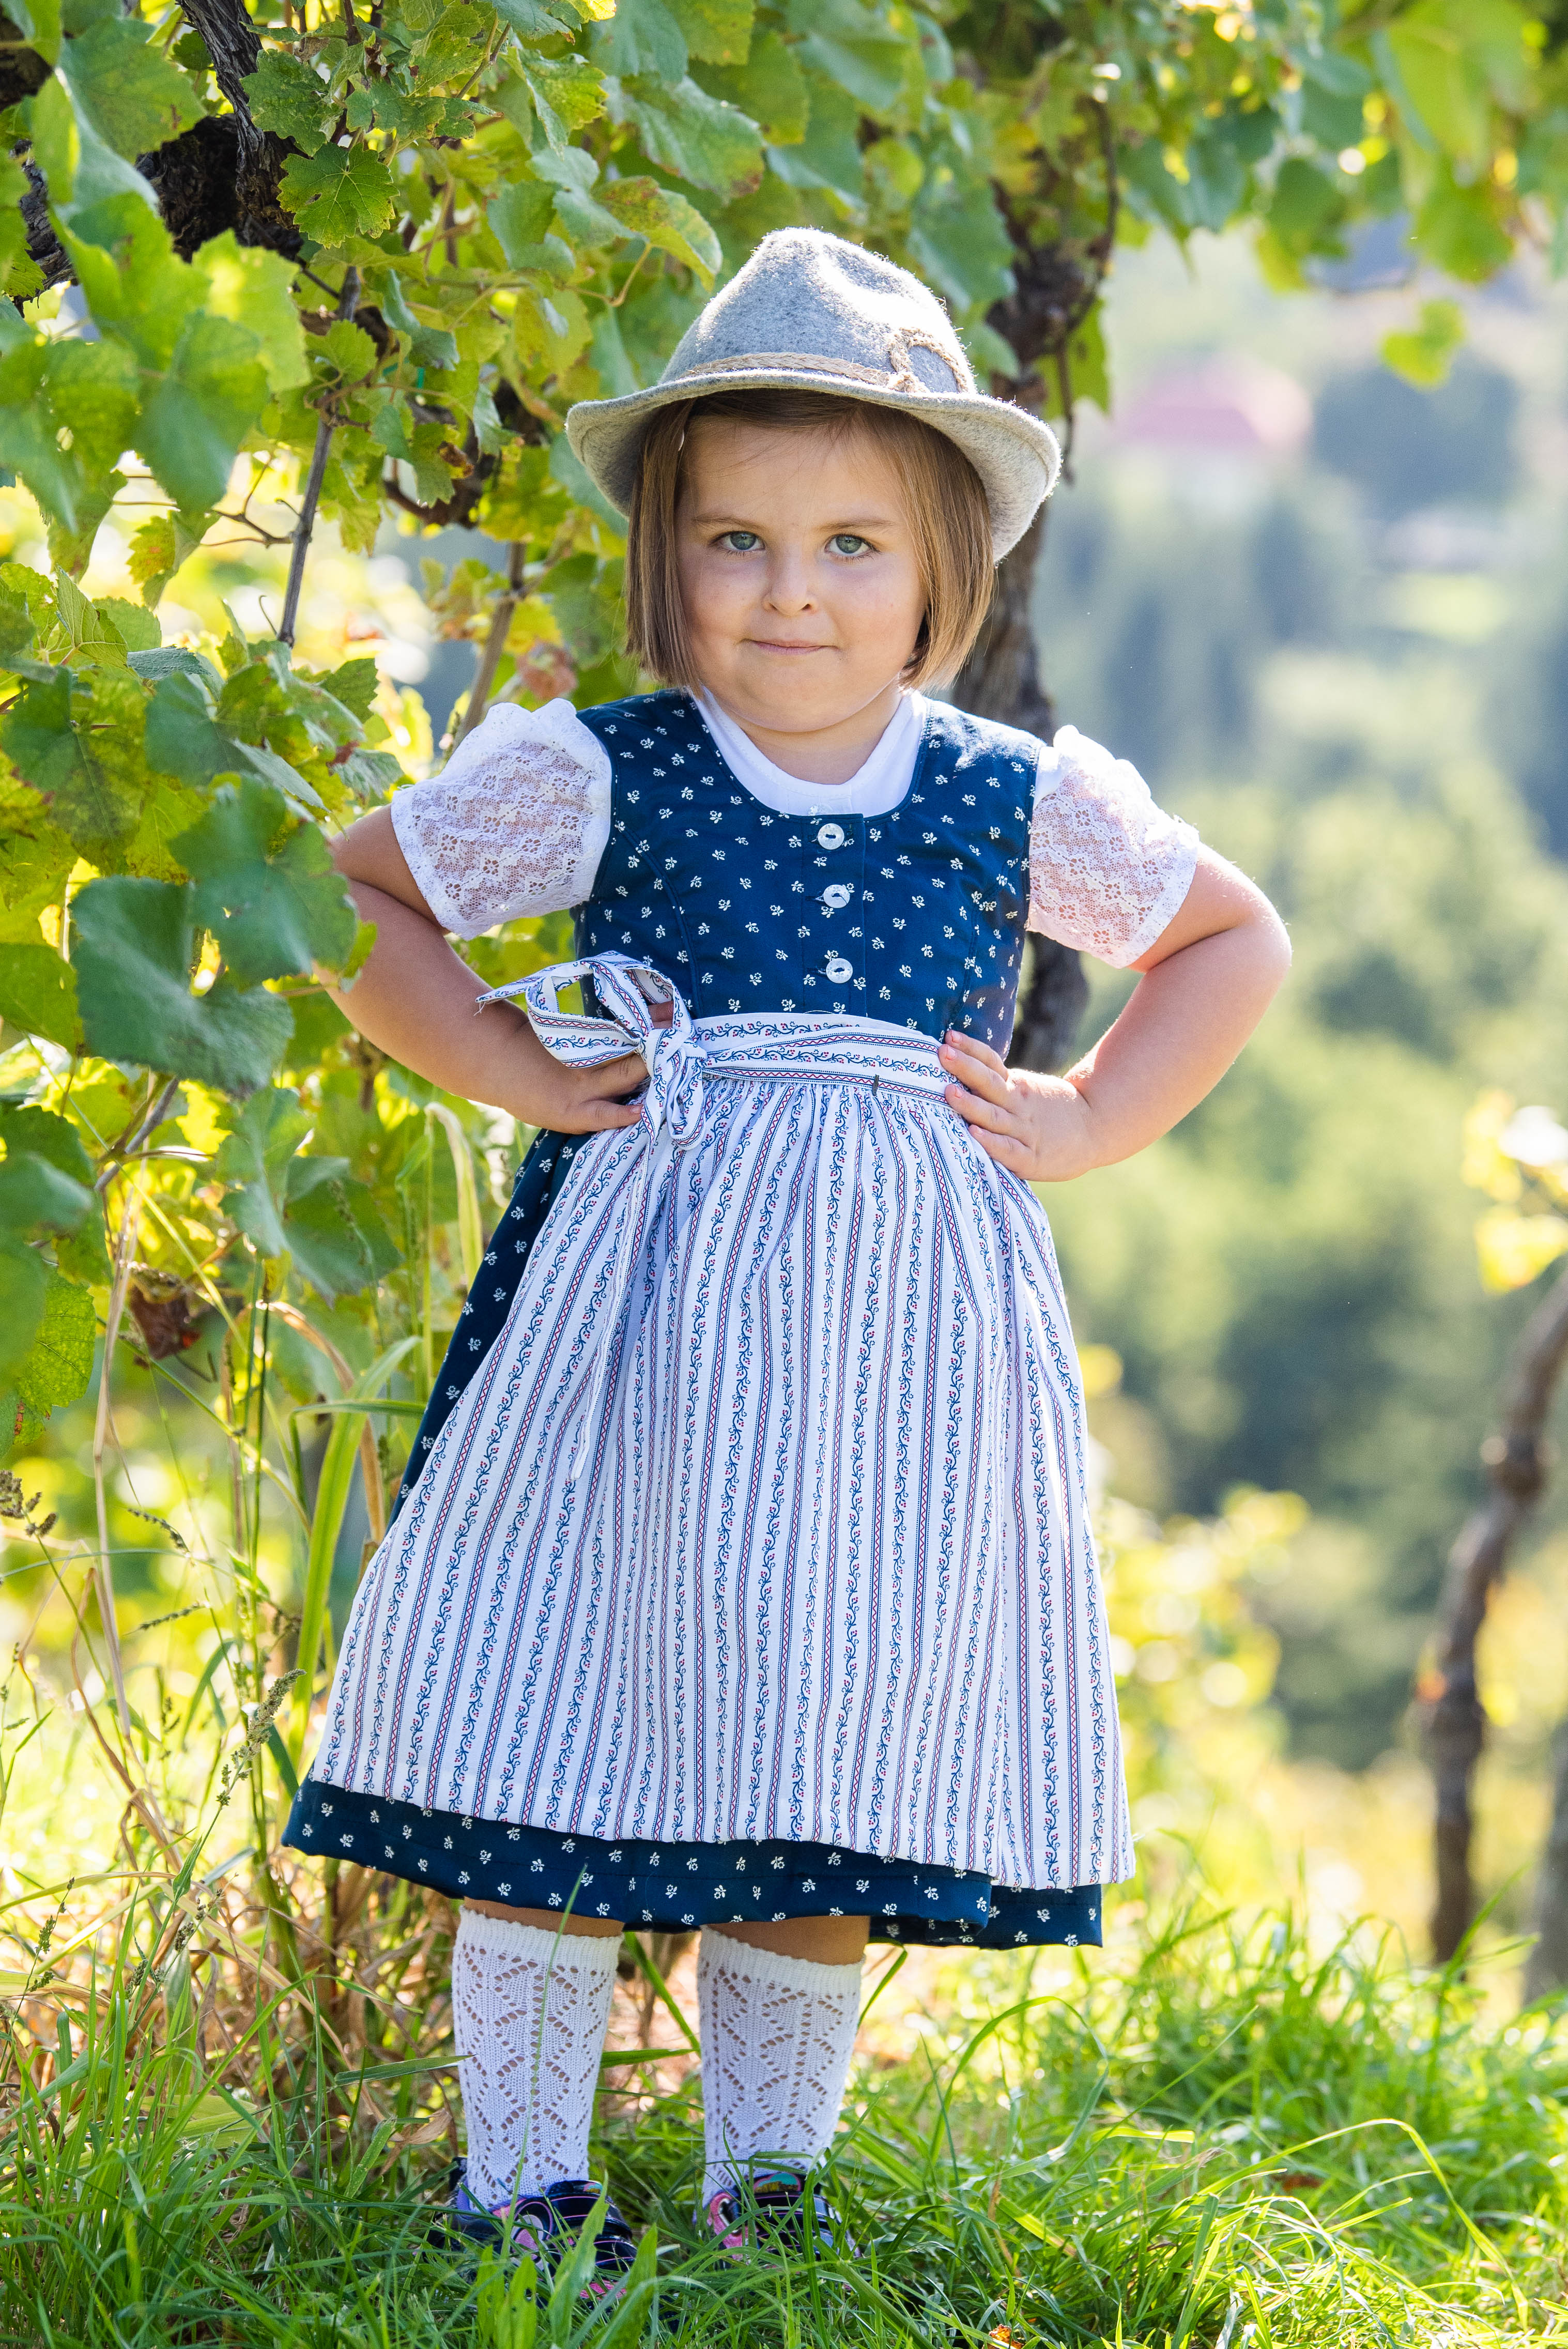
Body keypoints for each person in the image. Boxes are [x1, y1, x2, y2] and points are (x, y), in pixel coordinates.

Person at [283, 229, 1290, 2281]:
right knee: (559, 1707)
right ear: (671, 555)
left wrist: (1089, 1112)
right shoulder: (605, 770)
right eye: (737, 543)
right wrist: (497, 1053)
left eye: (849, 544)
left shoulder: (1004, 798)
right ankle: (521, 2179)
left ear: (943, 577)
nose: (793, 593)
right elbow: (357, 900)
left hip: (890, 1372)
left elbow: (1228, 941)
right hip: (635, 1338)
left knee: (827, 1735)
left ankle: (774, 2178)